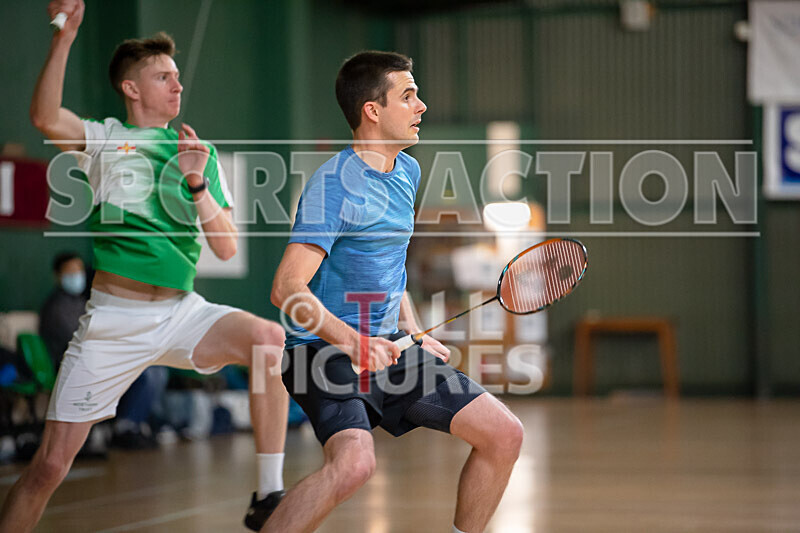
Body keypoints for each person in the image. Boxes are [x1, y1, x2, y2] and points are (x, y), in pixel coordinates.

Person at [0, 2, 288, 531]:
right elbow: (44, 117)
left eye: (178, 78)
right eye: (163, 77)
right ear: (131, 88)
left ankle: (269, 494)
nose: (178, 87)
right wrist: (65, 35)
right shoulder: (105, 139)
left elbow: (225, 247)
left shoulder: (197, 151)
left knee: (268, 339)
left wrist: (196, 180)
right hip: (114, 322)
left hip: (181, 312)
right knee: (48, 467)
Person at [266, 51, 524, 533]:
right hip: (323, 352)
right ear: (372, 110)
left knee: (504, 434)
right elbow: (286, 288)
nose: (421, 106)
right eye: (408, 96)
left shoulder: (406, 173)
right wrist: (352, 342)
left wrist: (413, 328)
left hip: (390, 348)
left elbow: (391, 267)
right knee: (355, 465)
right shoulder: (333, 187)